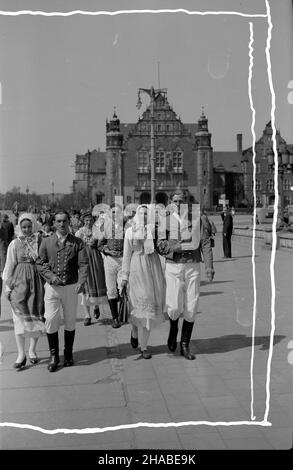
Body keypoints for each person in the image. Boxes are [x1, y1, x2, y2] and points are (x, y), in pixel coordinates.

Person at [157, 191, 214, 360]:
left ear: (187, 202)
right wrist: (172, 248)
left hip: (193, 265)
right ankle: (173, 328)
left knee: (192, 304)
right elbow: (159, 244)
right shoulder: (165, 219)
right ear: (170, 202)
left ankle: (185, 344)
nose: (178, 203)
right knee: (174, 306)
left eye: (181, 201)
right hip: (173, 265)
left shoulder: (198, 218)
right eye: (174, 201)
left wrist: (209, 267)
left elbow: (205, 243)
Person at [36, 210, 88, 372]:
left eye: (64, 221)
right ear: (54, 223)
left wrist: (81, 281)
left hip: (71, 286)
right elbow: (40, 263)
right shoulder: (46, 242)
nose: (61, 224)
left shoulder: (77, 242)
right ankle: (54, 355)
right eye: (58, 221)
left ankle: (68, 353)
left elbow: (84, 264)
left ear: (69, 222)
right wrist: (51, 277)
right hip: (52, 288)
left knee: (70, 320)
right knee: (51, 319)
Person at [120, 205, 165, 359]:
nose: (144, 216)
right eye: (141, 213)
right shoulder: (130, 231)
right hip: (136, 269)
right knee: (137, 304)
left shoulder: (155, 230)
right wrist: (124, 278)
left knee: (148, 308)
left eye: (147, 214)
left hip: (152, 268)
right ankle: (134, 330)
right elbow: (126, 256)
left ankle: (144, 346)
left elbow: (162, 249)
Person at [2, 213, 45, 368]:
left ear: (33, 226)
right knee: (19, 319)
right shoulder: (14, 244)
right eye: (23, 227)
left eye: (29, 226)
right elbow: (9, 265)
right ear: (19, 227)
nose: (26, 230)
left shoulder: (40, 242)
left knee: (35, 316)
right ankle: (21, 354)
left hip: (36, 282)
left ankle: (32, 350)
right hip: (19, 283)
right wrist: (8, 287)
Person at [75, 212, 108, 326]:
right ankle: (87, 315)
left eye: (90, 220)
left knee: (96, 282)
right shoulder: (79, 232)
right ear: (84, 221)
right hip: (84, 258)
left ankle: (96, 306)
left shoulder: (97, 231)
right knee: (85, 285)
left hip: (95, 258)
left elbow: (102, 243)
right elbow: (76, 246)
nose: (88, 222)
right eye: (86, 220)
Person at [97, 204, 126, 329]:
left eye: (118, 212)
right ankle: (115, 318)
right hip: (110, 260)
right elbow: (99, 245)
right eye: (113, 212)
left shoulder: (127, 227)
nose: (116, 215)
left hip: (123, 259)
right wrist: (107, 251)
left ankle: (122, 312)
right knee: (111, 289)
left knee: (123, 287)